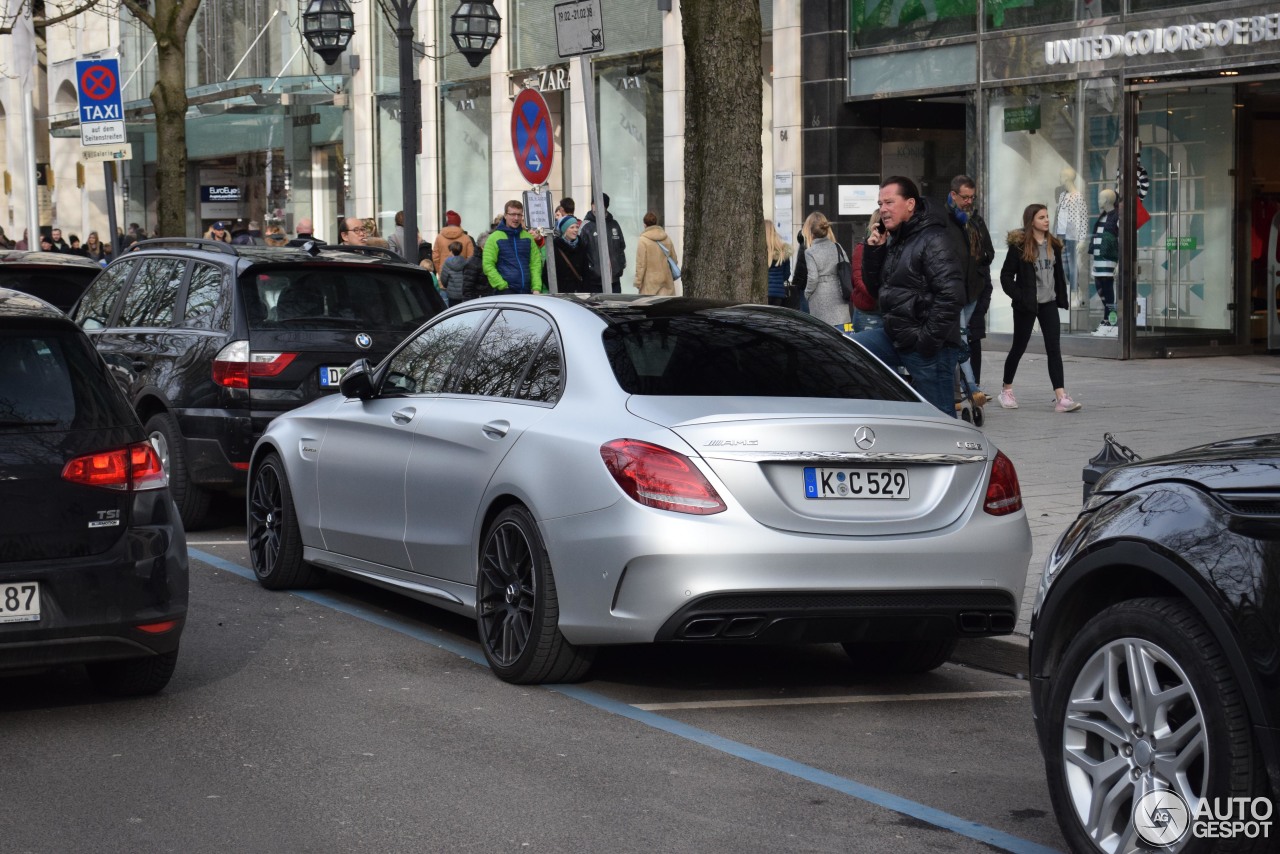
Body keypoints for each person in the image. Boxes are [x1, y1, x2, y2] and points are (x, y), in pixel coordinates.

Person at [853, 176, 966, 417]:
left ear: (910, 204)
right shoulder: (896, 239)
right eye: (880, 203)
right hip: (896, 336)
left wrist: (925, 343)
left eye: (889, 202)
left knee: (941, 420)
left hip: (928, 345)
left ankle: (952, 455)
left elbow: (952, 295)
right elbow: (877, 292)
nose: (882, 209)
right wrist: (874, 251)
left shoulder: (934, 238)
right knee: (850, 351)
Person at [997, 203, 1082, 413]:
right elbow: (1006, 277)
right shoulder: (1020, 246)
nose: (1046, 220)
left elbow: (1058, 275)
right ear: (1031, 221)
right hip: (1027, 305)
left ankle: (1061, 397)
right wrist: (1021, 296)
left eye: (1047, 217)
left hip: (1048, 303)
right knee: (1019, 346)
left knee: (1054, 348)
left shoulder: (1054, 245)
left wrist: (1061, 296)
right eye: (1041, 217)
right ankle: (1006, 390)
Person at [945, 175, 995, 405]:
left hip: (973, 291)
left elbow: (989, 254)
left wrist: (980, 267)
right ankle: (970, 389)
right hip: (953, 291)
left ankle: (962, 390)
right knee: (960, 339)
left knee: (963, 340)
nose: (968, 201)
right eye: (965, 197)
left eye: (972, 197)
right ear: (953, 195)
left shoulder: (976, 221)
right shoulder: (944, 221)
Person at [482, 200, 544, 294]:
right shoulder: (494, 238)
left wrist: (536, 287)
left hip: (527, 292)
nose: (516, 218)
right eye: (513, 214)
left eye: (519, 215)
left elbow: (535, 264)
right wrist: (502, 285)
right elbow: (488, 265)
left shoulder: (528, 238)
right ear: (505, 215)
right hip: (504, 292)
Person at [801, 211, 849, 328]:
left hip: (820, 300)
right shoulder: (838, 247)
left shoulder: (810, 252)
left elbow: (813, 278)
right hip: (840, 297)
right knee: (843, 336)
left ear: (811, 232)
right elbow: (847, 265)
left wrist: (807, 294)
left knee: (823, 336)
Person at [580, 193, 626, 294]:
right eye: (594, 204)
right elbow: (581, 251)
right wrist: (590, 270)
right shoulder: (586, 226)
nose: (596, 207)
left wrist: (620, 266)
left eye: (600, 204)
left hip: (614, 279)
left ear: (606, 207)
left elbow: (621, 246)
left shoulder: (614, 224)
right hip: (594, 281)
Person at [1089, 188, 1120, 336]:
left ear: (1107, 200)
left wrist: (1120, 263)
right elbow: (1096, 239)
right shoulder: (1102, 217)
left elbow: (1122, 240)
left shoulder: (1117, 217)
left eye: (1100, 198)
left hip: (1108, 262)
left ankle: (1111, 322)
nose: (1098, 201)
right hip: (1098, 262)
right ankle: (1109, 320)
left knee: (1108, 293)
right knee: (1101, 290)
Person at [850, 210, 884, 331]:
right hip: (868, 312)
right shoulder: (862, 248)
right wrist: (880, 295)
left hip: (886, 311)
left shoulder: (894, 247)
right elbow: (858, 280)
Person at [633, 212, 678, 296]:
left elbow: (641, 264)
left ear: (645, 225)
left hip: (650, 284)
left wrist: (638, 282)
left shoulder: (643, 240)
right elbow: (674, 259)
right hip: (666, 282)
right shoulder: (667, 238)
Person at [549, 216, 587, 293]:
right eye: (572, 227)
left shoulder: (581, 245)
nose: (576, 230)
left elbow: (586, 273)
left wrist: (584, 290)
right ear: (564, 230)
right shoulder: (556, 247)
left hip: (580, 293)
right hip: (562, 294)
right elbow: (547, 273)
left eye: (577, 227)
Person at [764, 219, 793, 307]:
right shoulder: (783, 251)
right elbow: (787, 274)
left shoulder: (760, 253)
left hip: (764, 293)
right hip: (779, 294)